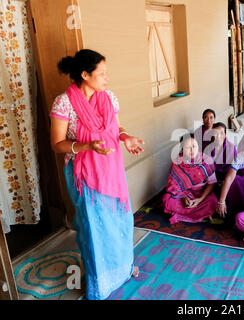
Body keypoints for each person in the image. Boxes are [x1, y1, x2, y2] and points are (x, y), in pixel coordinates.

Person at [50, 49, 144, 300]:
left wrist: (126, 137)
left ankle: (122, 269)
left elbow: (116, 127)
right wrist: (87, 146)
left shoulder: (108, 98)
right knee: (94, 228)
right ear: (84, 74)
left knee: (119, 221)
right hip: (84, 175)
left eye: (106, 72)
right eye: (101, 73)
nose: (106, 78)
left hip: (110, 169)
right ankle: (100, 283)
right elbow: (57, 143)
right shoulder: (64, 102)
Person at [162, 133, 218, 224]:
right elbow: (174, 186)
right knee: (167, 199)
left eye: (194, 146)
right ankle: (200, 214)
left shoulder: (206, 160)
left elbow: (212, 183)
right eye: (188, 147)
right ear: (182, 149)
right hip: (184, 193)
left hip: (202, 193)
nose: (192, 150)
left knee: (213, 201)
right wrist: (184, 197)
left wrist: (200, 200)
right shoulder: (177, 162)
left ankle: (182, 214)